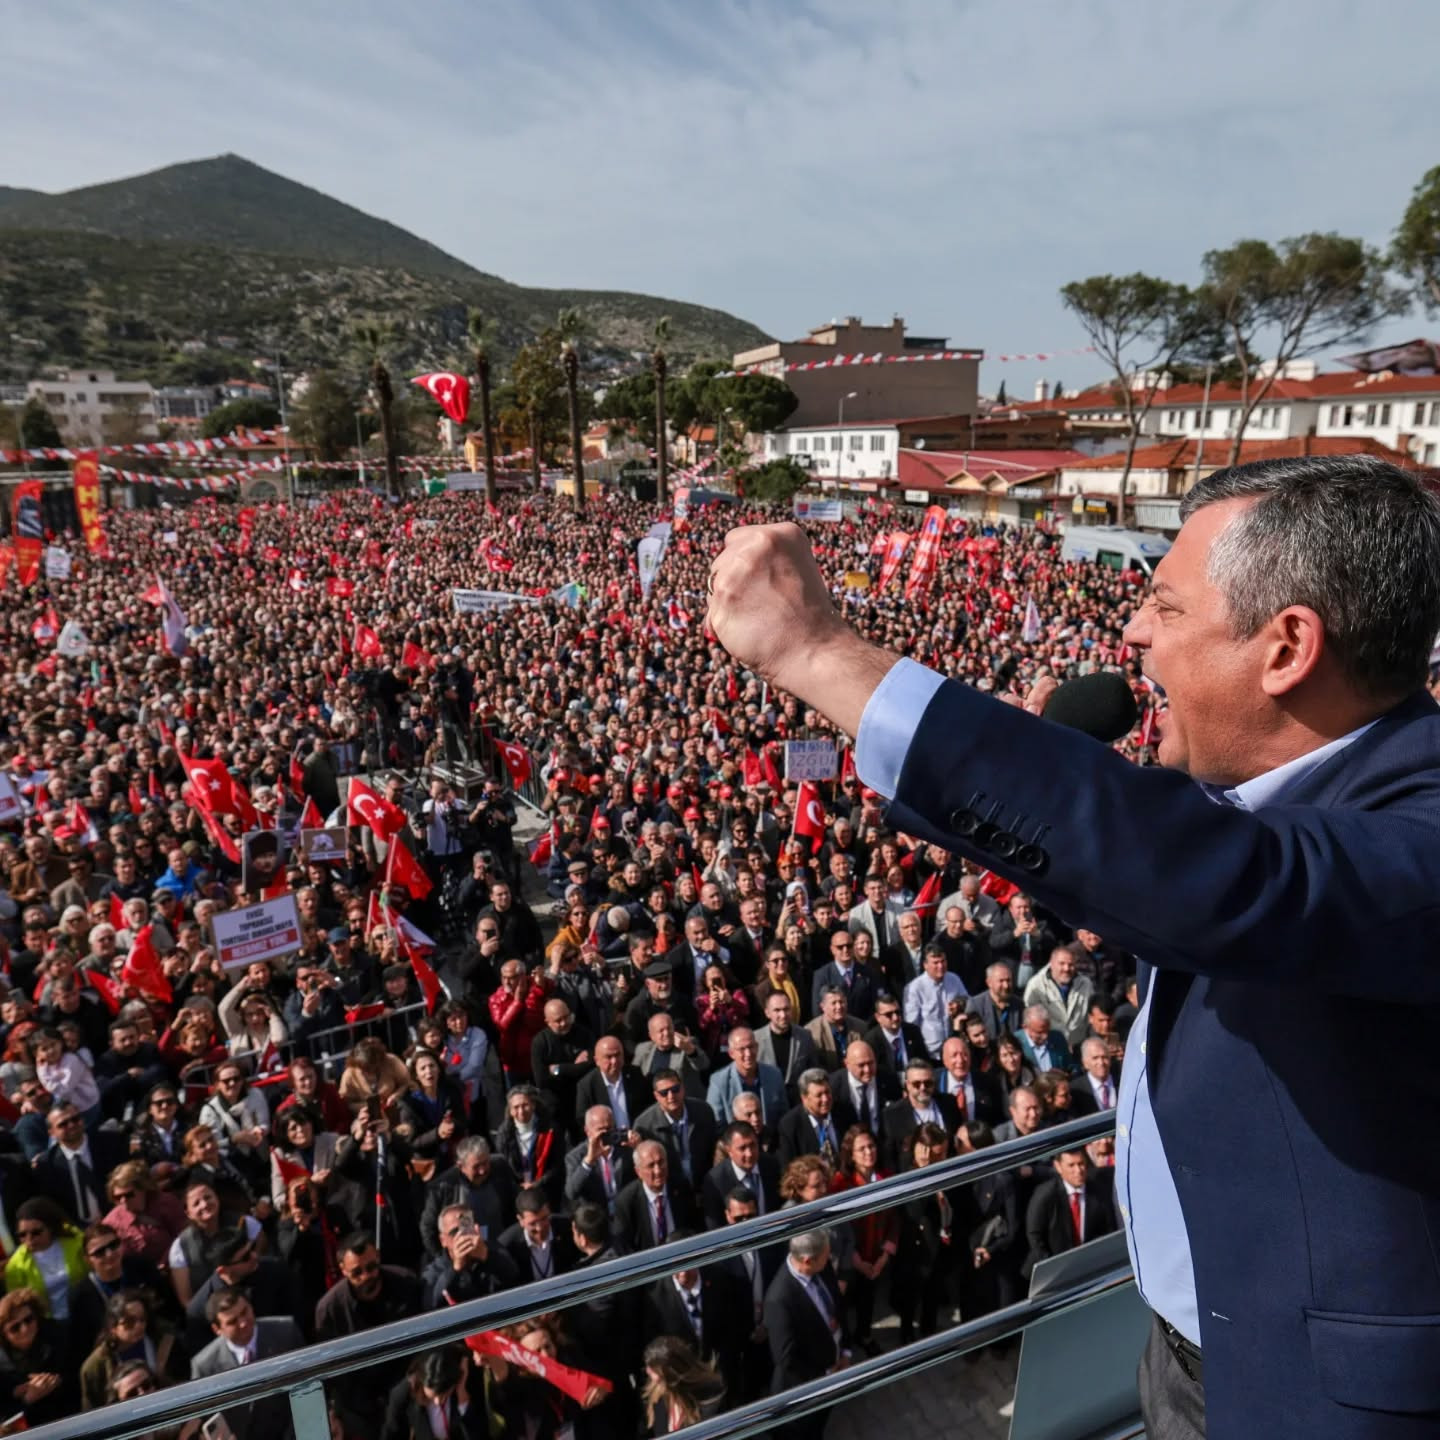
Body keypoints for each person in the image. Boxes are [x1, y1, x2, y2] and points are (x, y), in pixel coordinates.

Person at [706, 457, 1440, 1438]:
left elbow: (1218, 882)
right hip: (1180, 1344)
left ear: (1287, 647)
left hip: (1308, 1396)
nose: (1132, 632)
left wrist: (818, 651)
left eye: (1168, 609)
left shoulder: (1419, 833)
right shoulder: (1281, 791)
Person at [762, 1230, 845, 1440]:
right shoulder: (779, 1300)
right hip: (806, 1387)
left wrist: (845, 1350)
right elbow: (786, 1358)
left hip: (832, 1368)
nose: (830, 1260)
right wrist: (826, 1374)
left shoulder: (821, 1268)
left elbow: (837, 1306)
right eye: (826, 1256)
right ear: (808, 1260)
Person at [639, 1333, 726, 1435]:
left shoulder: (710, 1402)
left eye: (658, 1375)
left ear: (675, 1375)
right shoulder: (656, 1399)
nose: (649, 1374)